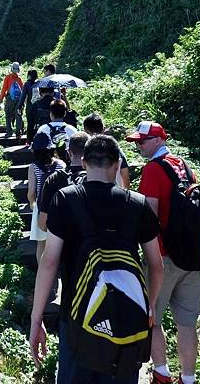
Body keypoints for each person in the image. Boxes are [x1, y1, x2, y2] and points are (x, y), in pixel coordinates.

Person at [29, 134, 163, 383]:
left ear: (84, 163)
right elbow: (156, 265)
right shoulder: (137, 204)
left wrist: (36, 319)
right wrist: (150, 306)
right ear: (116, 165)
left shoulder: (66, 199)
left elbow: (49, 262)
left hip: (77, 318)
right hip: (127, 321)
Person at [126, 121, 200, 384]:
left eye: (142, 141)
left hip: (163, 258)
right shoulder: (185, 167)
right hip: (191, 257)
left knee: (153, 319)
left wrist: (149, 258)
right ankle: (189, 379)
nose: (138, 146)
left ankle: (161, 374)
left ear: (159, 140)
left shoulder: (153, 171)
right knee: (187, 323)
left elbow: (149, 217)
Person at [28, 132, 66, 265]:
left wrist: (35, 207)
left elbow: (31, 193)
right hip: (60, 206)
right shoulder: (61, 164)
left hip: (41, 206)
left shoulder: (33, 167)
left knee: (41, 245)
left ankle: (43, 273)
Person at [38, 131, 89, 232]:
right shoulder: (98, 177)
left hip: (64, 244)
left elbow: (43, 224)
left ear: (69, 152)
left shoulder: (54, 179)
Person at [83, 112, 130, 189]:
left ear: (85, 130)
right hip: (115, 193)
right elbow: (125, 176)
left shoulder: (83, 150)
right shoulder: (115, 148)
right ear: (103, 129)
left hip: (89, 195)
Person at [0, 62, 24, 139]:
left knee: (8, 115)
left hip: (10, 99)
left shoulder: (8, 77)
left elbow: (4, 89)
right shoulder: (19, 79)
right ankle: (18, 132)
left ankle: (9, 132)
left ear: (11, 68)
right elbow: (22, 91)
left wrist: (1, 99)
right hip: (19, 100)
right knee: (18, 115)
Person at [18, 69, 39, 144]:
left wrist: (19, 106)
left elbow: (23, 96)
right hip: (39, 106)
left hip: (30, 107)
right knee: (38, 123)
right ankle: (37, 140)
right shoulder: (40, 83)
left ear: (29, 75)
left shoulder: (27, 84)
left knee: (30, 124)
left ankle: (29, 141)